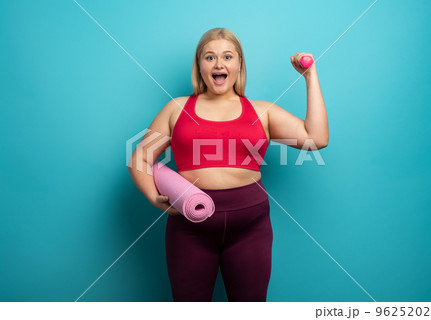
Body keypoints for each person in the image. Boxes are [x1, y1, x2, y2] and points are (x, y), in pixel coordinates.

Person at [128, 28, 328, 302]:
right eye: (209, 57)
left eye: (227, 56)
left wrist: (310, 77)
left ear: (239, 65)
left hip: (250, 228)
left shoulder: (262, 111)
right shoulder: (177, 108)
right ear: (199, 66)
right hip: (190, 227)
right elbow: (140, 158)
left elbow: (316, 138)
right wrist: (154, 197)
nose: (219, 64)